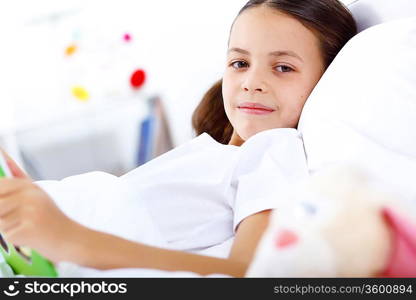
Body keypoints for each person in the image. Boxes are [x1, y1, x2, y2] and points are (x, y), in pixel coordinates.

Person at [0, 0, 356, 277]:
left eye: (283, 67)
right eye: (240, 63)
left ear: (325, 80)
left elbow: (250, 273)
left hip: (67, 244)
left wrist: (70, 239)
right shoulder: (216, 153)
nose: (251, 82)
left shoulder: (275, 150)